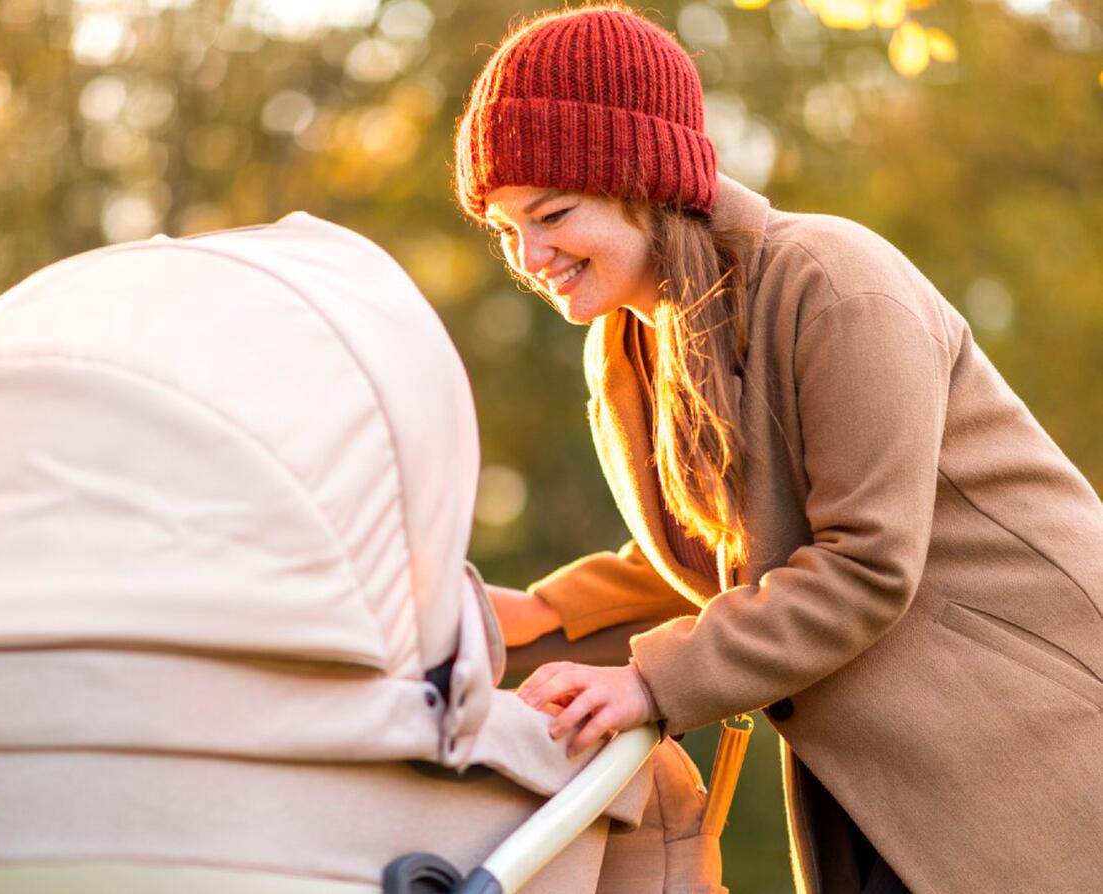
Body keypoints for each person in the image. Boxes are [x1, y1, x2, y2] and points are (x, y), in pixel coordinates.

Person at [453, 5, 1103, 894]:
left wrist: (654, 682)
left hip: (1022, 734)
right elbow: (732, 554)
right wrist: (537, 615)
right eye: (501, 229)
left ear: (644, 177)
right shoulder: (629, 344)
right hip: (878, 761)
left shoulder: (833, 282)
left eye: (551, 213)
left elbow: (867, 562)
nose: (527, 255)